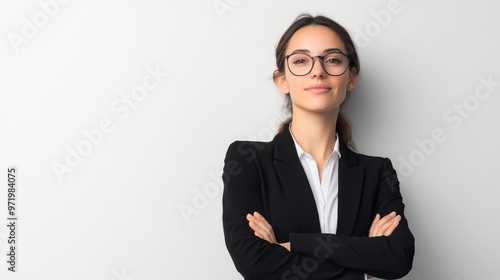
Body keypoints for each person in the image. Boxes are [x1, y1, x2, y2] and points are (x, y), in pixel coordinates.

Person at [222, 14, 415, 280]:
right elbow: (253, 263)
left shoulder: (377, 171)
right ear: (282, 81)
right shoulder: (248, 160)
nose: (318, 70)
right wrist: (361, 266)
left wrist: (293, 245)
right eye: (301, 60)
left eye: (333, 59)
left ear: (350, 78)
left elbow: (398, 258)